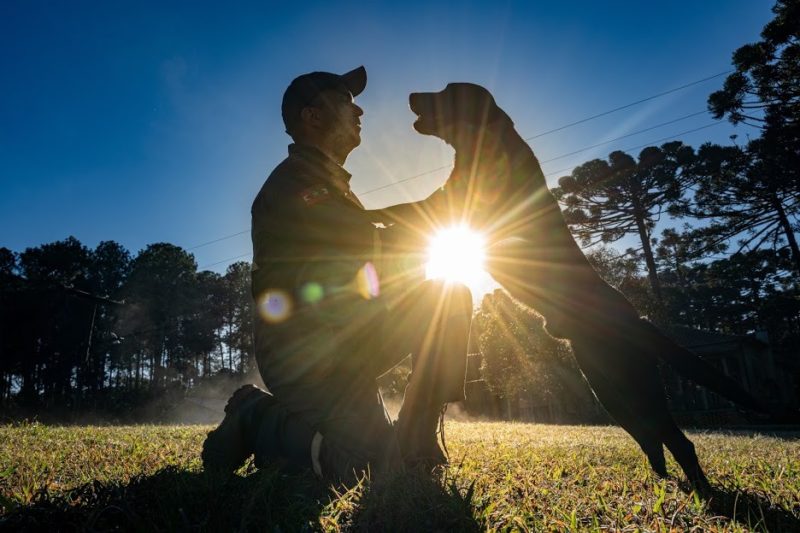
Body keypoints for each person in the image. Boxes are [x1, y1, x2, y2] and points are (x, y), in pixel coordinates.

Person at [201, 66, 473, 484]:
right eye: (345, 100)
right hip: (307, 356)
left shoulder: (331, 186)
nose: (358, 109)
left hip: (345, 343)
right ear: (312, 117)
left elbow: (371, 246)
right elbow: (363, 238)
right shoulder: (292, 185)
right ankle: (255, 418)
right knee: (360, 467)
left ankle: (415, 445)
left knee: (448, 296)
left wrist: (446, 203)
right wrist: (447, 203)